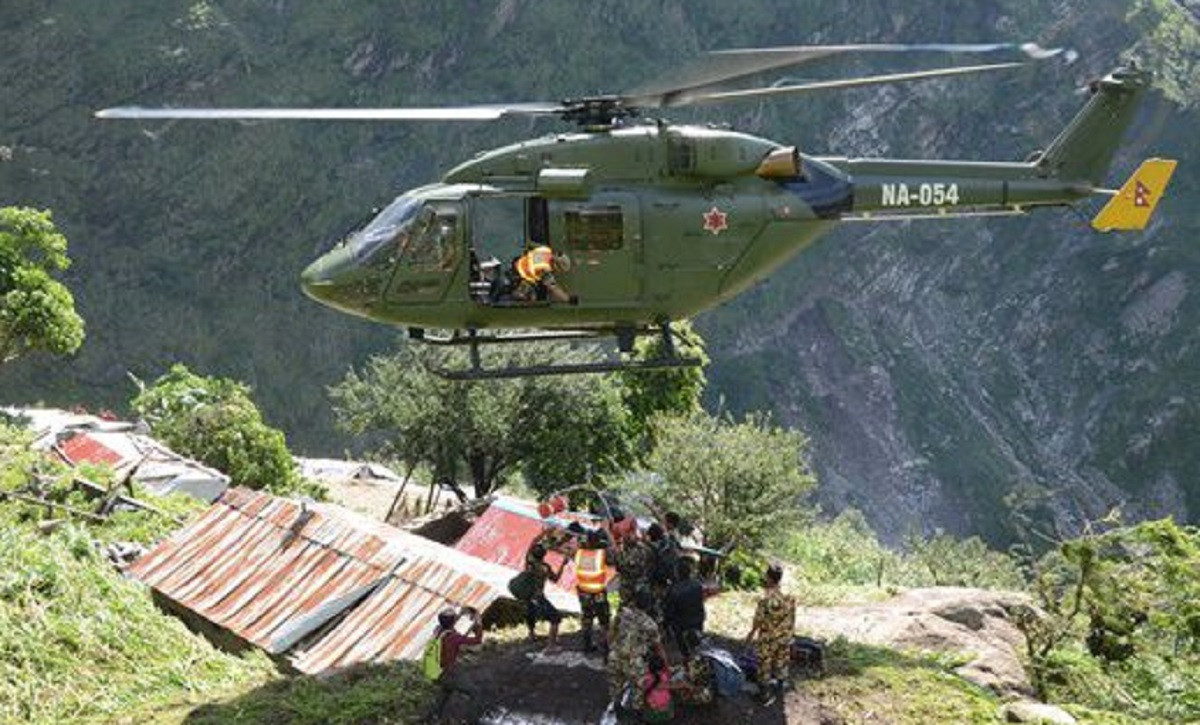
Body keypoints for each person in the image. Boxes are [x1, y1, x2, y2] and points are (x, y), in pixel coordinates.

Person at [607, 588, 667, 712]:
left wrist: (611, 649)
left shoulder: (621, 614)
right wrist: (666, 665)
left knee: (615, 684)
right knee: (639, 687)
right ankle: (636, 711)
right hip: (634, 662)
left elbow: (610, 634)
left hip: (615, 656)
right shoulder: (650, 624)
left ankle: (617, 706)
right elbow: (658, 647)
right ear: (649, 605)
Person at [746, 563, 796, 706]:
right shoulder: (789, 597)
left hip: (768, 638)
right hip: (784, 636)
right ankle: (780, 690)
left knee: (765, 664)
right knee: (781, 662)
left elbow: (758, 621)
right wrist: (791, 636)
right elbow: (792, 618)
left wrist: (751, 634)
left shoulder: (765, 600)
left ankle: (765, 694)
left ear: (768, 578)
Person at [524, 537, 566, 652]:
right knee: (556, 618)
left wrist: (542, 534)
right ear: (544, 555)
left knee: (530, 614)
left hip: (528, 596)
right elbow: (555, 579)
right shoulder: (545, 568)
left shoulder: (529, 563)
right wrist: (563, 565)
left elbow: (530, 545)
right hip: (538, 597)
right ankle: (551, 646)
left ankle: (531, 634)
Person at [574, 528, 612, 654]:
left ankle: (587, 646)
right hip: (598, 592)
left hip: (583, 592)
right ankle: (607, 647)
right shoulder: (601, 554)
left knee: (587, 618)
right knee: (604, 620)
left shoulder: (579, 553)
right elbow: (613, 557)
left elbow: (579, 546)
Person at [423, 606, 483, 682]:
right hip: (444, 673)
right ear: (454, 620)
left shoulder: (438, 630)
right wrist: (479, 622)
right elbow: (477, 640)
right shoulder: (454, 637)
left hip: (434, 668)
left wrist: (461, 614)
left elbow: (448, 624)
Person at [662, 558, 705, 657]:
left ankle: (688, 663)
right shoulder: (697, 585)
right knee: (697, 645)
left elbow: (668, 612)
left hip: (682, 625)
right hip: (698, 620)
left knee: (685, 651)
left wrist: (666, 625)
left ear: (677, 573)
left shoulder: (673, 590)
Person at [511, 244, 576, 303]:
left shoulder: (546, 250)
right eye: (559, 270)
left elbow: (530, 247)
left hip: (518, 261)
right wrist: (568, 299)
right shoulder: (545, 269)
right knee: (531, 297)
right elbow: (553, 288)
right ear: (556, 266)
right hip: (522, 274)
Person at [672, 630, 715, 708]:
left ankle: (690, 698)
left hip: (696, 691)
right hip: (708, 690)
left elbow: (690, 677)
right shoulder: (708, 655)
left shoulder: (691, 660)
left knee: (674, 678)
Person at [639, 650, 674, 722]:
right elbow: (665, 662)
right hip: (663, 706)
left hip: (655, 707)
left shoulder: (647, 677)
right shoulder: (665, 675)